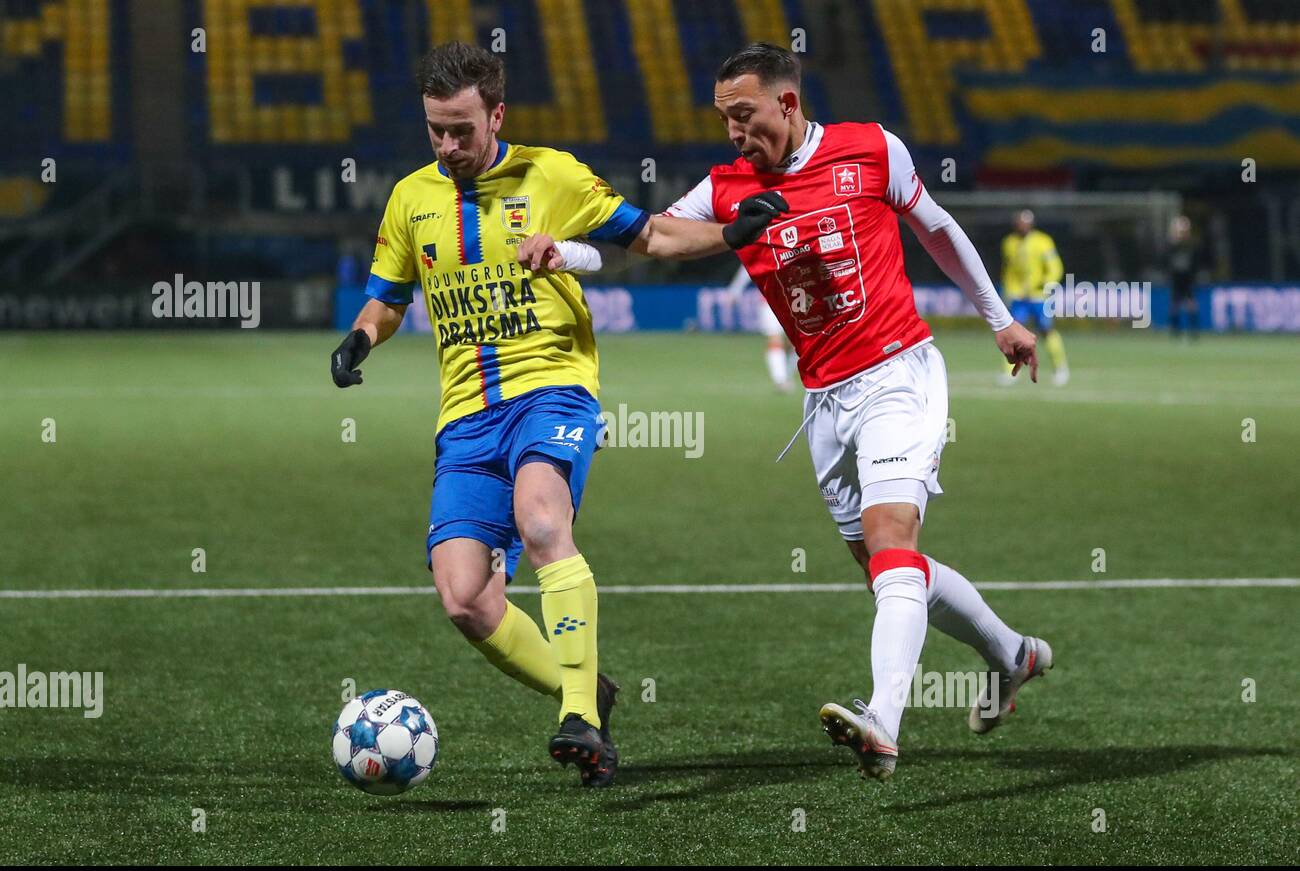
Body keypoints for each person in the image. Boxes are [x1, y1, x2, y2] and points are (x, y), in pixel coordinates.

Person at [519, 43, 1053, 781]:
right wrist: (567, 256)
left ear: (788, 104)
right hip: (825, 400)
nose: (735, 133)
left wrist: (1000, 319)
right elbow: (652, 237)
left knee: (890, 536)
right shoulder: (727, 187)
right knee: (888, 568)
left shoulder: (871, 149)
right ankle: (1012, 653)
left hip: (900, 373)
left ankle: (883, 723)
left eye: (745, 116)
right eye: (725, 120)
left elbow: (936, 227)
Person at [329, 42, 782, 787]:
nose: (449, 146)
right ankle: (588, 691)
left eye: (462, 130)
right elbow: (388, 297)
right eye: (436, 131)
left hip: (552, 389)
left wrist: (730, 234)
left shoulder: (553, 174)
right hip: (466, 417)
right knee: (464, 596)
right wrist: (359, 339)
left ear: (496, 115)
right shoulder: (411, 198)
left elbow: (651, 234)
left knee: (543, 521)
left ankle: (580, 718)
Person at [1001, 209, 1069, 385]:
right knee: (1013, 333)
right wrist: (1009, 290)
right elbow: (1008, 271)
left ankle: (1060, 367)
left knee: (1047, 330)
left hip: (1039, 296)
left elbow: (1054, 266)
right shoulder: (1009, 243)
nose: (1022, 226)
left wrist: (1048, 282)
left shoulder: (1043, 241)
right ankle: (1010, 372)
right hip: (1019, 297)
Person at [727, 263, 796, 391]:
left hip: (795, 297)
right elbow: (747, 265)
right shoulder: (763, 245)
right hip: (769, 299)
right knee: (774, 338)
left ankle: (787, 375)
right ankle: (780, 380)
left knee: (795, 342)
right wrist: (735, 290)